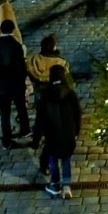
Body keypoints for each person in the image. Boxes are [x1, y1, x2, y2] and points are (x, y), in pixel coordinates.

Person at [31, 63, 82, 199]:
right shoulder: (70, 94)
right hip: (68, 135)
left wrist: (36, 138)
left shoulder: (45, 96)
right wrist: (76, 132)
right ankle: (66, 186)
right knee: (66, 159)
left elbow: (39, 120)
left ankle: (54, 184)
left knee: (53, 160)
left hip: (52, 136)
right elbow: (78, 115)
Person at [0, 10, 30, 144]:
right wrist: (24, 78)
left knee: (5, 111)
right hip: (16, 83)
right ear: (13, 29)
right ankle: (25, 129)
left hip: (2, 83)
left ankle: (6, 137)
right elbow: (21, 65)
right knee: (21, 107)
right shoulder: (16, 45)